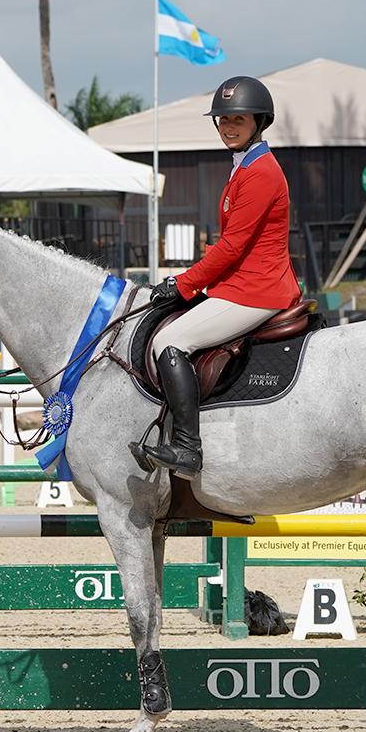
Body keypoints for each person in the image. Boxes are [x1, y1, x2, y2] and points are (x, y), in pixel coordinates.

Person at [135, 75, 302, 480]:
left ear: (259, 122)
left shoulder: (261, 172)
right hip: (240, 285)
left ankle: (188, 448)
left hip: (257, 291)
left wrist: (183, 283)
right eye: (223, 119)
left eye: (238, 119)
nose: (228, 126)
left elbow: (231, 246)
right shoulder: (244, 167)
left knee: (169, 340)